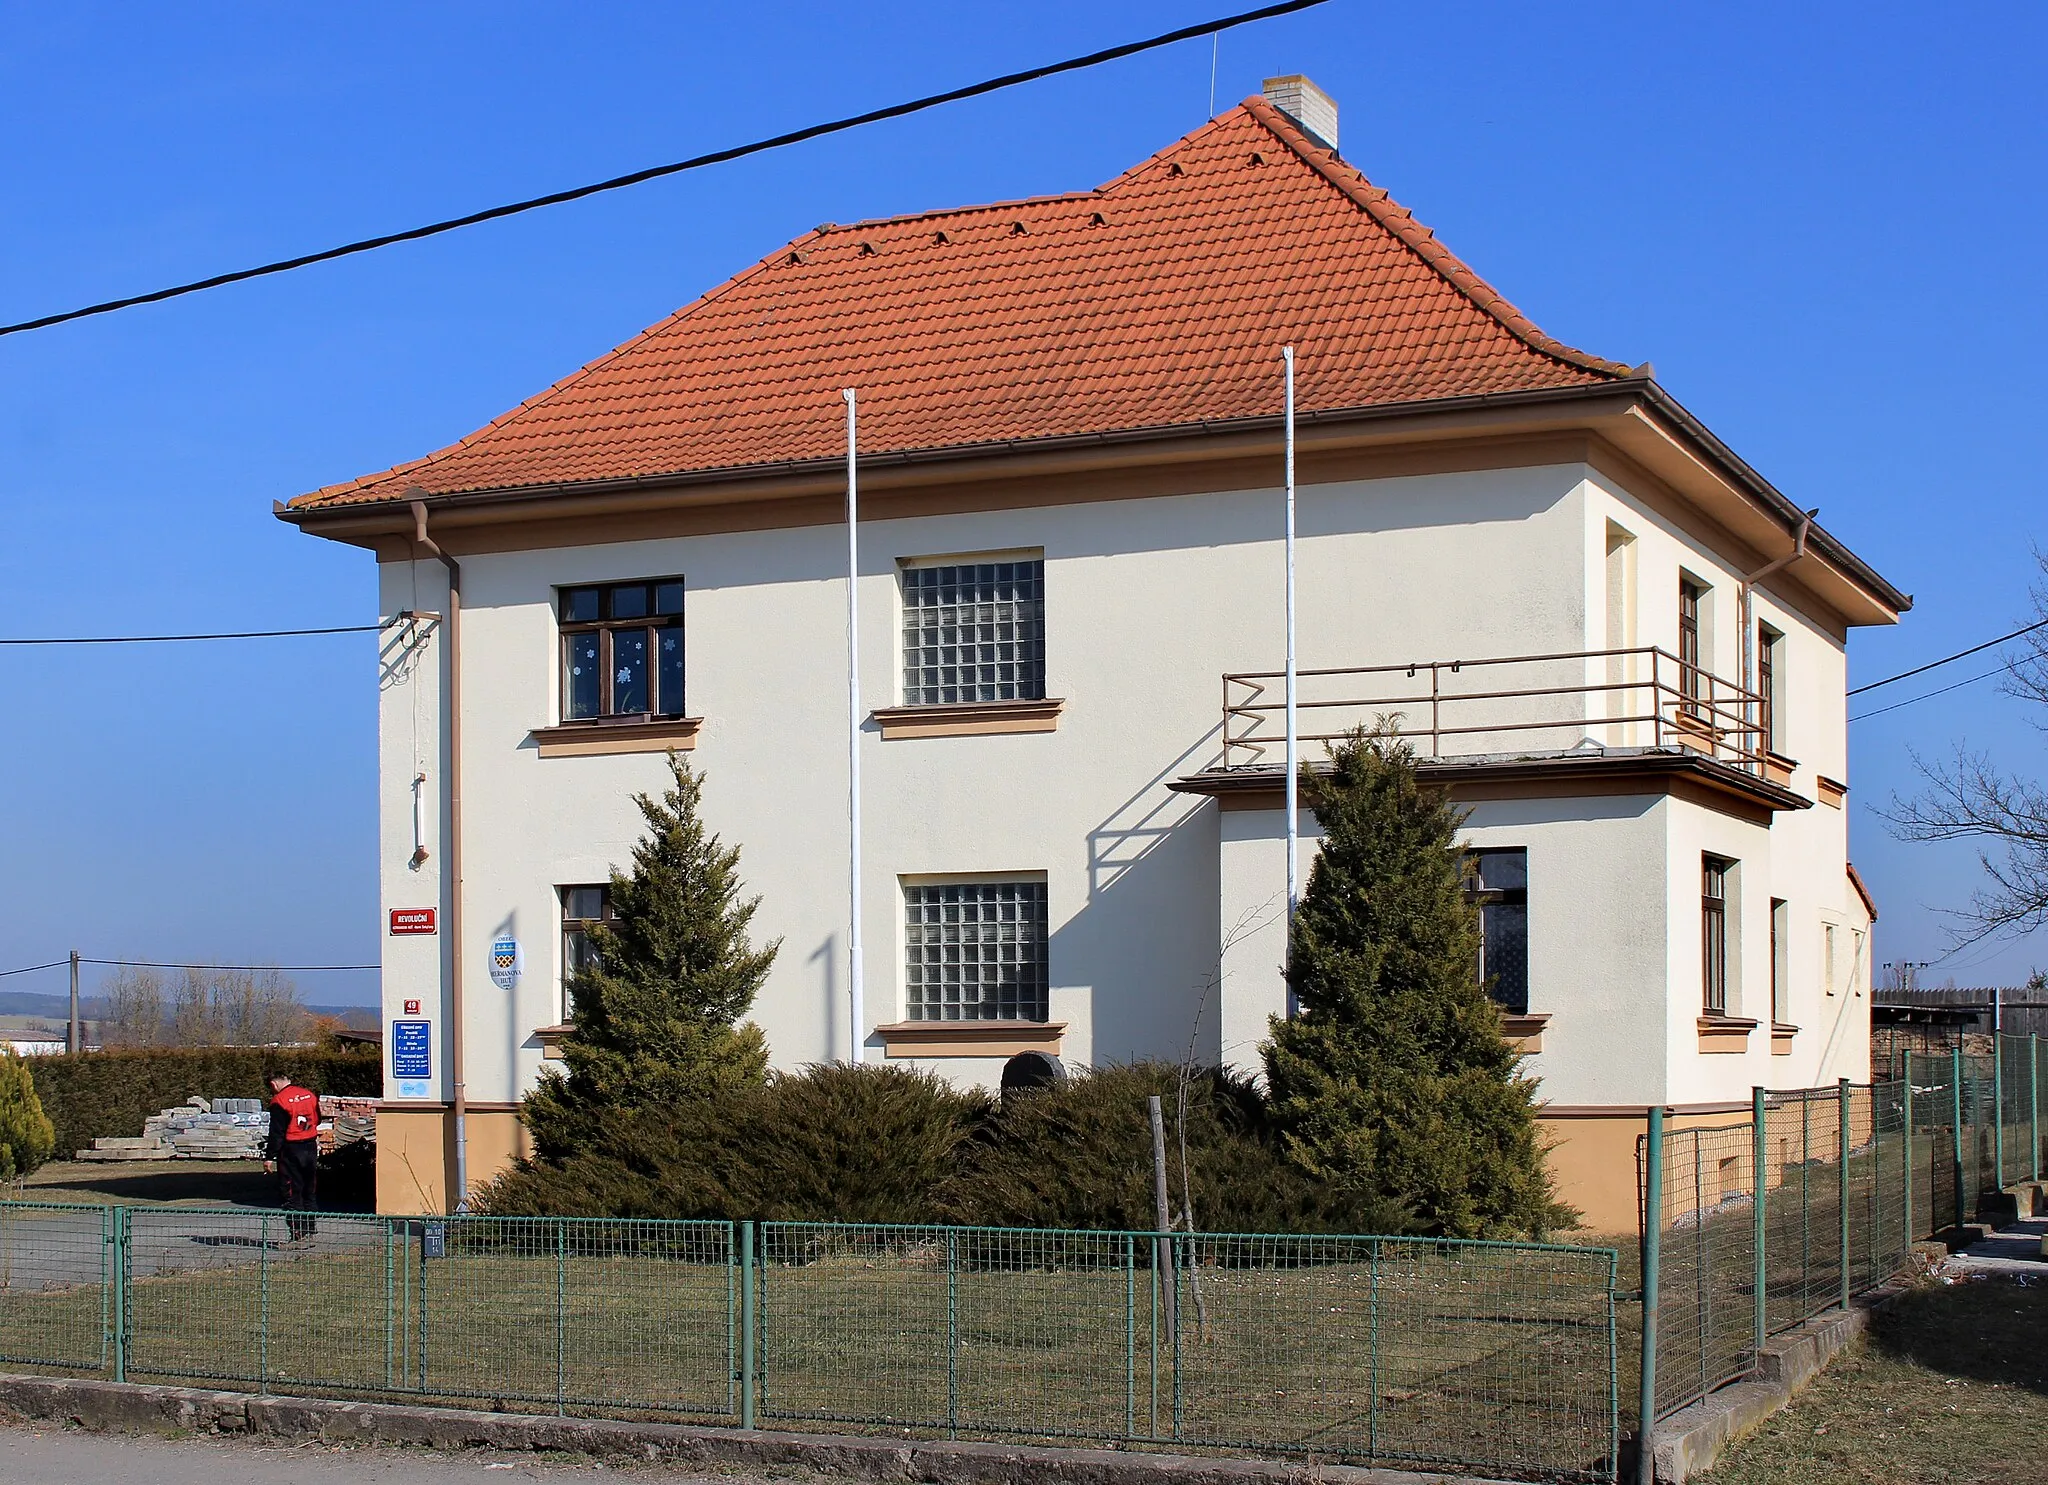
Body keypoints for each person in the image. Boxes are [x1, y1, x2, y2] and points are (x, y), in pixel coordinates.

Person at [263, 1071, 320, 1242]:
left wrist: (269, 1157)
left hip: (290, 1149)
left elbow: (277, 1133)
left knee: (291, 1191)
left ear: (273, 1084)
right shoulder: (309, 1095)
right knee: (309, 1189)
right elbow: (318, 1118)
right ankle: (310, 1230)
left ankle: (298, 1234)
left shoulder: (279, 1101)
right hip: (310, 1146)